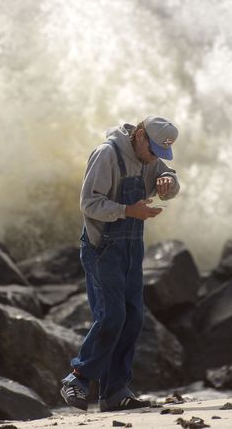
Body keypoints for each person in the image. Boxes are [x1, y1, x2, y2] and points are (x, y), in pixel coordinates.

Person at [60, 115, 181, 412]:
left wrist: (169, 182)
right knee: (112, 316)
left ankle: (115, 393)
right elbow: (88, 203)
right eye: (153, 150)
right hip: (103, 249)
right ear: (139, 135)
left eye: (160, 154)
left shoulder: (150, 158)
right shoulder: (107, 154)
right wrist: (128, 210)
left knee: (134, 318)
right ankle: (76, 378)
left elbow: (170, 178)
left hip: (131, 248)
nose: (155, 158)